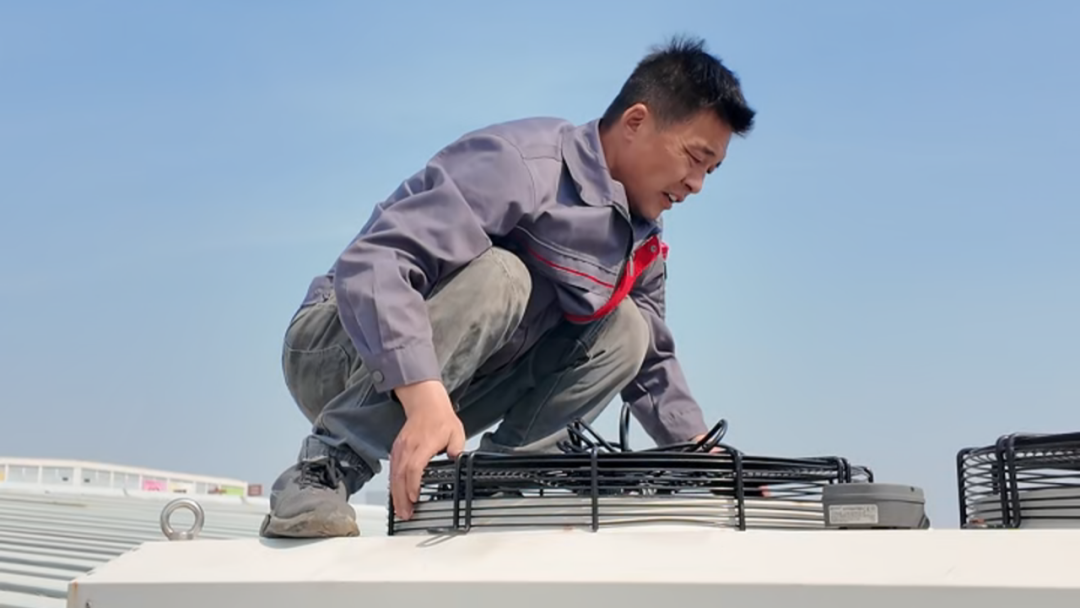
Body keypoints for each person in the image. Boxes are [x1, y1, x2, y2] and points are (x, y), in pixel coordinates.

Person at [260, 35, 756, 538]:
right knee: (505, 276)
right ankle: (325, 468)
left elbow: (651, 362)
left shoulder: (640, 235)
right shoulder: (522, 165)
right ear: (636, 122)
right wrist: (424, 396)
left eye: (710, 170)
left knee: (630, 328)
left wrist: (701, 456)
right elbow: (377, 263)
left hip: (455, 382)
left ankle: (495, 482)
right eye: (694, 158)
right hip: (338, 346)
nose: (697, 184)